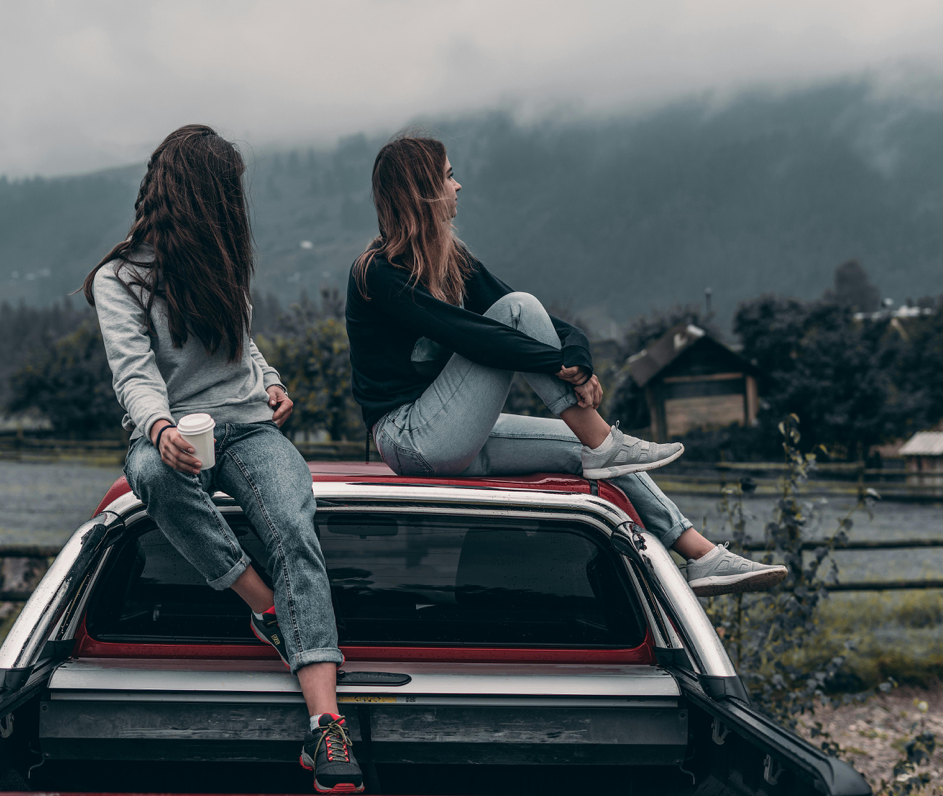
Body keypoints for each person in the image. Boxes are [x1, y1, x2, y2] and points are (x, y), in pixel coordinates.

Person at [345, 135, 786, 597]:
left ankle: (702, 555)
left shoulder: (450, 259)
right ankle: (604, 441)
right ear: (424, 190)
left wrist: (577, 356)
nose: (459, 186)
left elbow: (546, 325)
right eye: (449, 176)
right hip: (410, 437)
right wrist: (558, 365)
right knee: (518, 310)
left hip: (456, 434)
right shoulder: (378, 273)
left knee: (590, 455)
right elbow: (473, 335)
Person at [83, 125, 363, 794]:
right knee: (148, 475)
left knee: (294, 526)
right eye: (226, 191)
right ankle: (263, 605)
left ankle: (325, 724)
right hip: (177, 434)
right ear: (197, 195)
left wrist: (271, 381)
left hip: (251, 427)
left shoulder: (221, 261)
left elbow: (244, 345)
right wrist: (158, 428)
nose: (235, 204)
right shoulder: (120, 278)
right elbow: (134, 372)